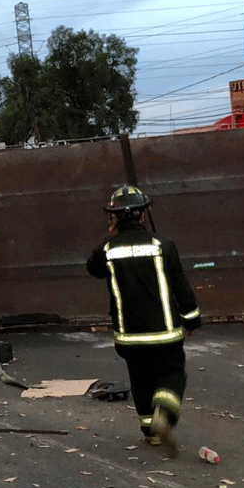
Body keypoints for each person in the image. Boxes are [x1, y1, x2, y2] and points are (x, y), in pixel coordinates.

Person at [86, 185, 200, 456]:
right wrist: (192, 319)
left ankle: (151, 433)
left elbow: (93, 268)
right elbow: (180, 286)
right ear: (142, 215)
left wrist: (110, 237)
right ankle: (165, 415)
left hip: (129, 337)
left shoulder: (107, 250)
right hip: (165, 333)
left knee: (140, 381)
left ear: (114, 218)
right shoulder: (163, 245)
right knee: (171, 374)